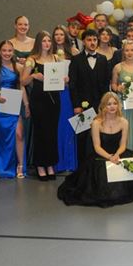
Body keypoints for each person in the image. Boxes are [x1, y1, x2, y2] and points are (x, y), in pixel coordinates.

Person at [57, 92, 133, 207]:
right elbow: (97, 147)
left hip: (118, 153)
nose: (112, 107)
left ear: (118, 105)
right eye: (108, 104)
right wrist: (110, 157)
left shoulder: (124, 122)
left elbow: (123, 145)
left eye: (114, 103)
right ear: (103, 106)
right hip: (101, 155)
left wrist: (116, 155)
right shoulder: (96, 123)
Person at [21, 31, 61, 181]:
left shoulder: (56, 58)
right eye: (44, 41)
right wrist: (33, 76)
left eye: (49, 41)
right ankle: (40, 165)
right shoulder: (32, 59)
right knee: (40, 133)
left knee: (52, 133)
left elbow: (63, 80)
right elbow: (23, 81)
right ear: (39, 42)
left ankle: (50, 164)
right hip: (38, 100)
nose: (47, 43)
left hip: (54, 100)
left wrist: (65, 78)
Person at [69, 29, 110, 166]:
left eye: (94, 40)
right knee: (83, 138)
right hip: (82, 106)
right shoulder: (76, 60)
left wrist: (105, 106)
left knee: (99, 136)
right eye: (89, 40)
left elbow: (105, 84)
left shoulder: (103, 60)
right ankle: (82, 169)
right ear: (84, 42)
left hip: (99, 106)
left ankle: (98, 167)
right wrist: (76, 105)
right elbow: (73, 85)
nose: (92, 43)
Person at [0, 40, 29, 179]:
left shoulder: (18, 67)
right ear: (0, 52)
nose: (7, 53)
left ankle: (20, 165)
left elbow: (22, 86)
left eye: (9, 51)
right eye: (4, 50)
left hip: (14, 105)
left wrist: (26, 104)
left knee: (19, 134)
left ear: (13, 52)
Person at [52, 25, 79, 173]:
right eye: (56, 34)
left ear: (66, 36)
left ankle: (69, 162)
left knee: (68, 127)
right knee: (56, 128)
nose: (58, 37)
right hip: (53, 94)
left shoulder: (74, 53)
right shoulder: (49, 53)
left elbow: (79, 74)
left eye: (61, 34)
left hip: (68, 94)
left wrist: (71, 79)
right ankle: (57, 163)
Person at [10, 16, 35, 165]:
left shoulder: (34, 43)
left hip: (32, 86)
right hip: (16, 87)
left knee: (32, 122)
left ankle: (31, 159)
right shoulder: (10, 43)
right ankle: (17, 159)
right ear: (15, 25)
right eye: (20, 24)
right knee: (17, 124)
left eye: (25, 24)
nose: (23, 27)